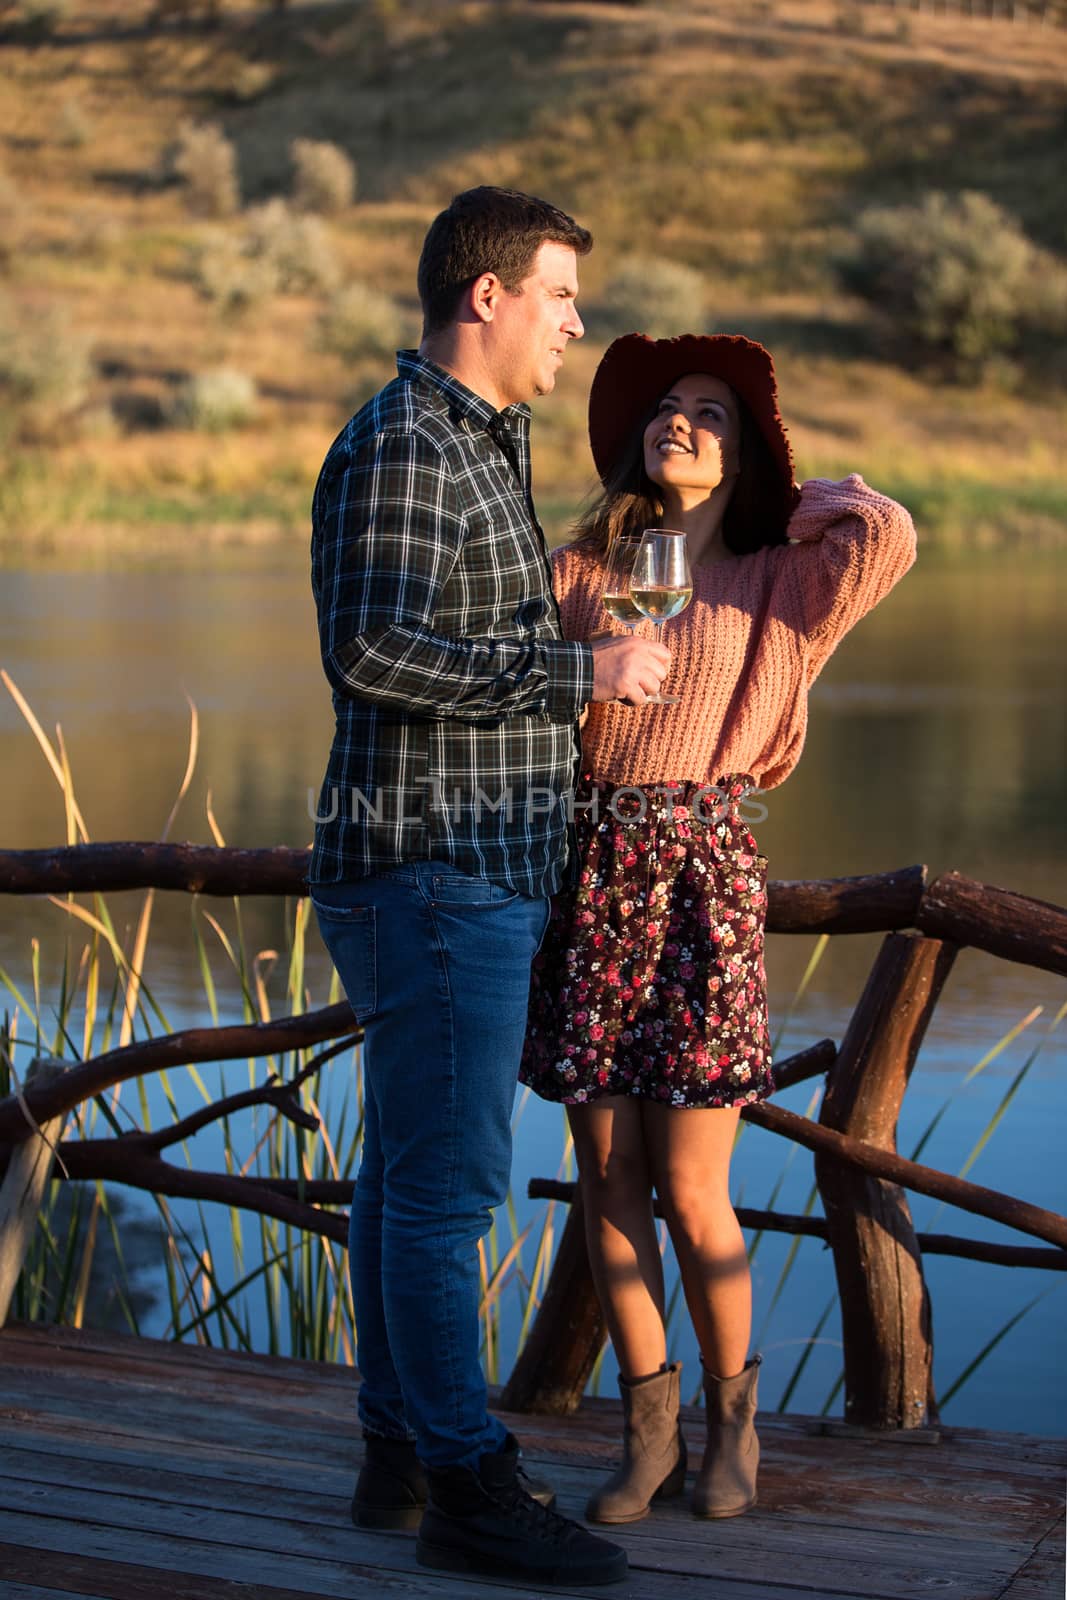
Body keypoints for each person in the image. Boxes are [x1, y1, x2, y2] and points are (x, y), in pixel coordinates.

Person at [308, 188, 667, 1588]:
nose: (575, 323)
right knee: (447, 1191)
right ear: (487, 297)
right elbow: (373, 653)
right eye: (561, 296)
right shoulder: (408, 442)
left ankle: (400, 1452)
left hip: (454, 868)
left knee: (403, 1178)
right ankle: (463, 1478)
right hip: (437, 869)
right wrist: (578, 674)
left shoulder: (477, 445)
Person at [521, 332, 917, 1525]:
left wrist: (792, 501)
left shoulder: (783, 579)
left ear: (742, 451)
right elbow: (505, 689)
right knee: (605, 1174)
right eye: (664, 409)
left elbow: (887, 533)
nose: (677, 422)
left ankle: (730, 1431)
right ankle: (646, 1430)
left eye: (708, 414)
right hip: (587, 871)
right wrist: (581, 670)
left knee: (693, 1186)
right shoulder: (581, 571)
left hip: (698, 877)